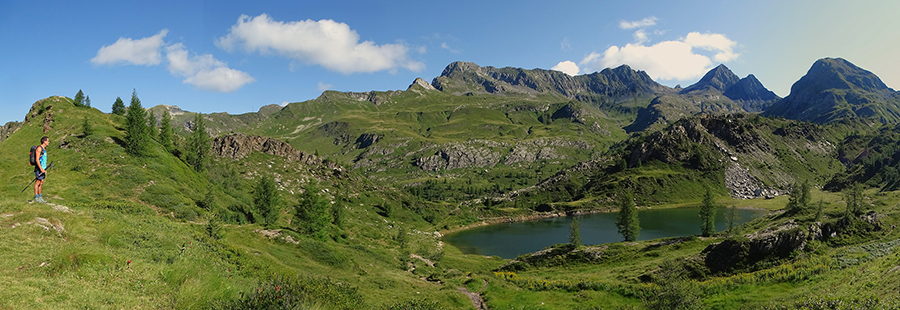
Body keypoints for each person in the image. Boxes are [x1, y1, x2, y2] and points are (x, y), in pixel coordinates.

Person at [34, 136, 49, 203]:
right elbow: (37, 159)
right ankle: (36, 197)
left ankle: (40, 197)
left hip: (43, 168)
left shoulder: (44, 149)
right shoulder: (39, 148)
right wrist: (41, 169)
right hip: (39, 168)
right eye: (48, 141)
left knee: (41, 182)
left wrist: (44, 169)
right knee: (38, 182)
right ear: (44, 141)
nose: (48, 142)